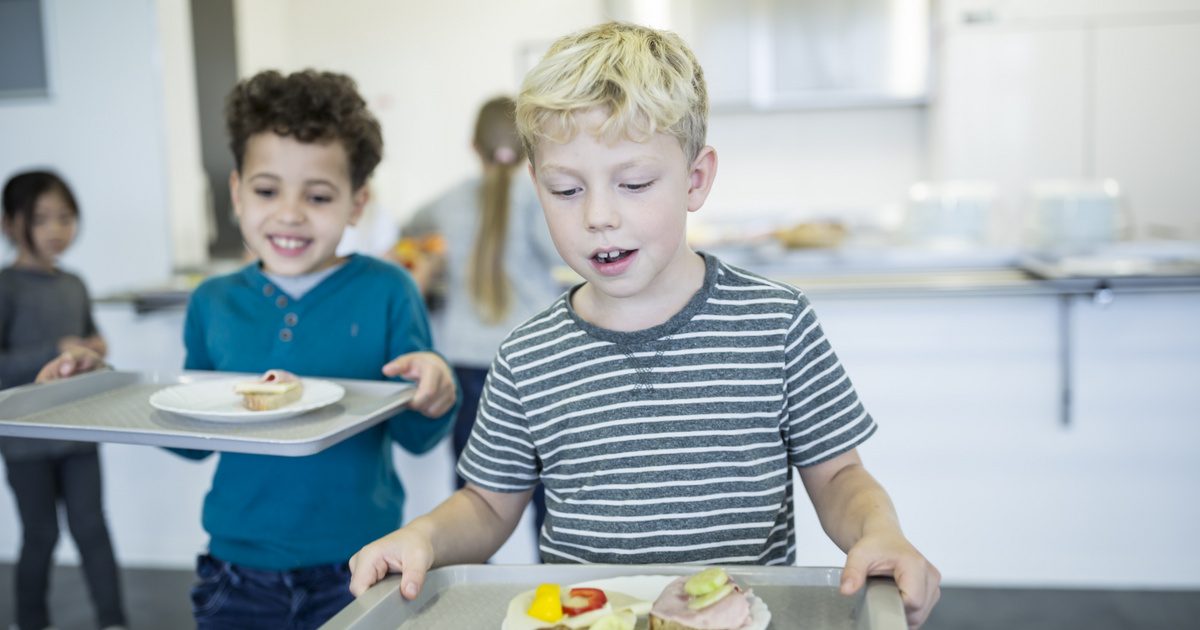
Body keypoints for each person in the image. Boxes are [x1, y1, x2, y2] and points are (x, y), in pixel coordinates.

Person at [348, 22, 941, 628]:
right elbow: (486, 506)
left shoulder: (777, 324)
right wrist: (422, 537)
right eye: (566, 189)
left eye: (633, 184)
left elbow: (839, 474)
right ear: (536, 188)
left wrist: (881, 533)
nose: (599, 216)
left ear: (696, 179)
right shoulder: (526, 356)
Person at [41, 69, 460, 629]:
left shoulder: (388, 291)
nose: (289, 213)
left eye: (318, 195)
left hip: (365, 563)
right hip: (237, 570)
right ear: (237, 192)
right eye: (267, 191)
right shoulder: (213, 301)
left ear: (357, 203)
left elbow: (417, 436)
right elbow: (191, 437)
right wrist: (104, 384)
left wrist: (435, 387)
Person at [397, 96, 562, 544]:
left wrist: (435, 260)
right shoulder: (543, 196)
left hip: (467, 364)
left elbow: (409, 227)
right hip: (537, 360)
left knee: (473, 499)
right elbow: (559, 254)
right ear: (530, 147)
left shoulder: (449, 201)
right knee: (553, 498)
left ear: (474, 145)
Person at [1, 170, 128, 630]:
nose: (57, 229)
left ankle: (114, 621)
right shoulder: (6, 286)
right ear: (10, 223)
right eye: (41, 219)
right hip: (25, 440)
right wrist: (56, 348)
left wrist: (92, 348)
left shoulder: (74, 282)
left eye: (66, 217)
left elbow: (89, 340)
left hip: (79, 432)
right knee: (40, 535)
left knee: (93, 530)